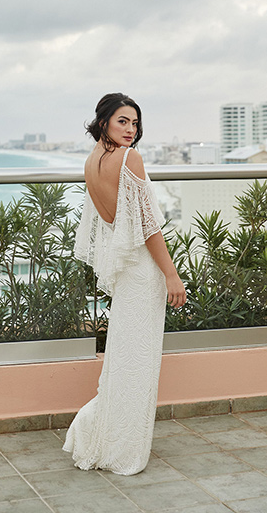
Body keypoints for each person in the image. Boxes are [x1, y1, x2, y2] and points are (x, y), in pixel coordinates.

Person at [63, 93, 186, 476]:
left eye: (134, 123)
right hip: (144, 270)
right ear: (103, 122)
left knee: (124, 357)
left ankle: (101, 435)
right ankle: (121, 448)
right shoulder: (129, 159)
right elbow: (148, 225)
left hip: (126, 272)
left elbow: (112, 222)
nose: (131, 130)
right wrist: (171, 273)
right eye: (122, 122)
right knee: (139, 360)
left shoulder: (90, 162)